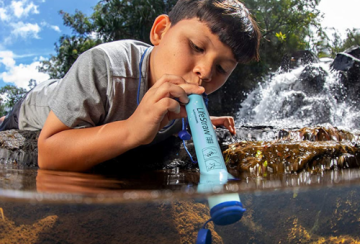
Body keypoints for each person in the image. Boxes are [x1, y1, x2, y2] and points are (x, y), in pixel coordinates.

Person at [0, 0, 261, 172]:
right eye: (195, 47)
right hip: (37, 106)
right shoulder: (104, 67)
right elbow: (48, 154)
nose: (204, 72)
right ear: (160, 32)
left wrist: (201, 121)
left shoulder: (188, 94)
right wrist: (131, 130)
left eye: (221, 69)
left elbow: (172, 120)